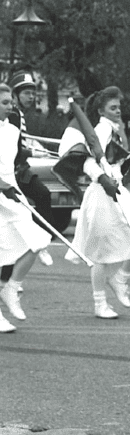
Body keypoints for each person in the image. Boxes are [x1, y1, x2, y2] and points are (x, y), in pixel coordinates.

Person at [65, 86, 130, 319]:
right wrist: (102, 178)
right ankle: (100, 304)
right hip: (101, 194)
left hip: (118, 190)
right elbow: (87, 161)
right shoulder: (100, 130)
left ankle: (120, 279)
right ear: (100, 110)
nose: (118, 111)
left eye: (119, 107)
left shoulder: (115, 129)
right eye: (113, 107)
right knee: (100, 253)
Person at [0, 83, 50, 331]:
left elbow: (16, 159)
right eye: (4, 102)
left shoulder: (11, 130)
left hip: (11, 192)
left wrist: (15, 186)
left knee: (38, 240)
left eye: (10, 102)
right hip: (1, 193)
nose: (10, 106)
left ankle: (11, 288)